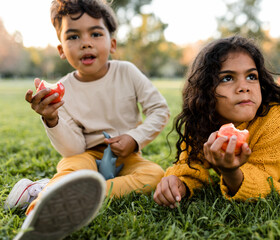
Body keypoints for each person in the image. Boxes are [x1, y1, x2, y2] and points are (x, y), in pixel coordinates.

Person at [5, 0, 169, 239]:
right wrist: (52, 119)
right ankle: (39, 208)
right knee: (71, 168)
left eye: (95, 33)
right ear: (61, 49)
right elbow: (73, 148)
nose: (86, 42)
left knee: (154, 175)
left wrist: (134, 139)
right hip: (87, 156)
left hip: (127, 157)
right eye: (73, 37)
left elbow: (159, 109)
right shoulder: (62, 90)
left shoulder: (128, 73)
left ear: (112, 43)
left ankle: (62, 192)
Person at [153, 35, 280, 208]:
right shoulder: (201, 122)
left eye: (251, 76)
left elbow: (267, 181)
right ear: (205, 90)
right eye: (227, 78)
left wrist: (231, 171)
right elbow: (190, 166)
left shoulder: (274, 116)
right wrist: (178, 183)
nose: (245, 87)